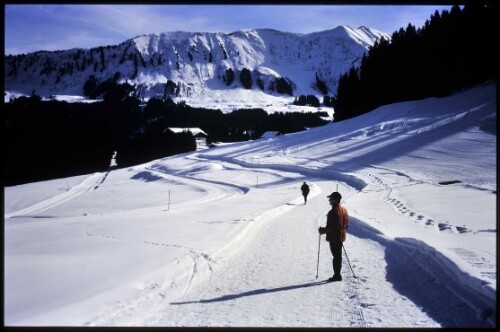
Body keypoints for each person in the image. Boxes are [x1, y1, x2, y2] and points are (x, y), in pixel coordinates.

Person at [318, 191, 349, 282]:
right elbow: (346, 224)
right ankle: (337, 275)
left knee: (336, 256)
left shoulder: (333, 212)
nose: (329, 200)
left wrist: (322, 230)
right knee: (338, 256)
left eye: (331, 199)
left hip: (334, 238)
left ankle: (337, 275)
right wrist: (342, 232)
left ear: (335, 200)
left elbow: (330, 227)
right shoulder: (344, 210)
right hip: (341, 236)